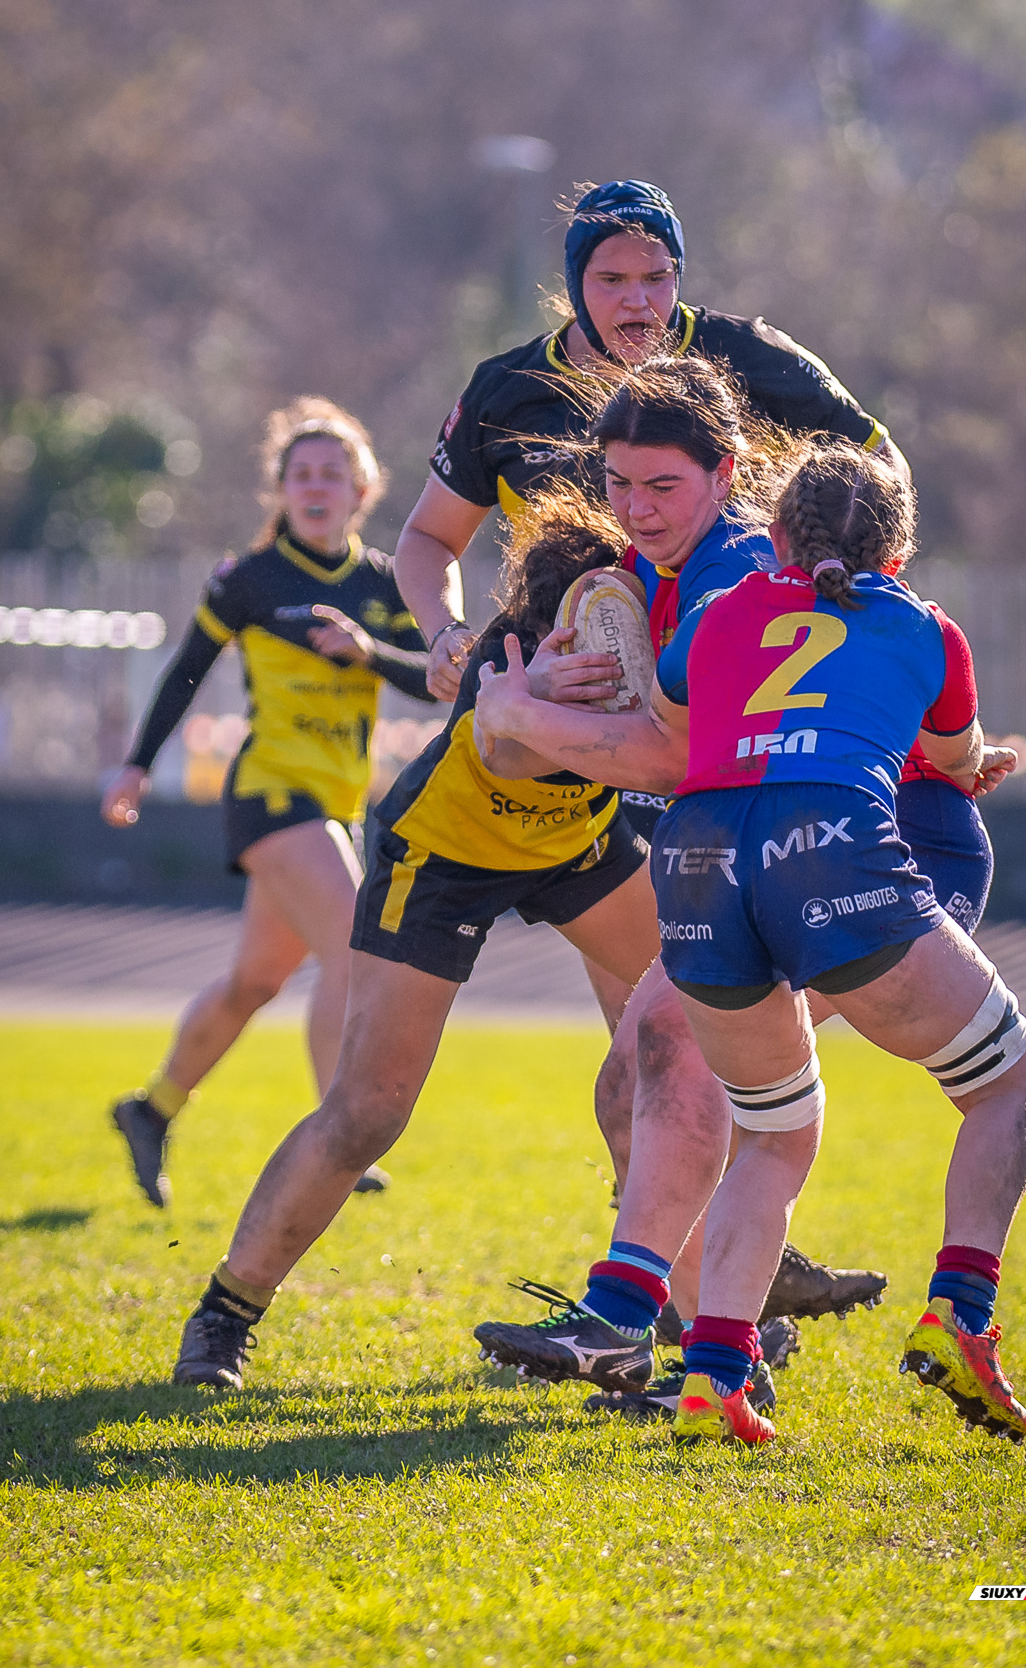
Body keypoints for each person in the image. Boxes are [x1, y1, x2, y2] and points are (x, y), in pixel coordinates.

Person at [394, 176, 908, 1318]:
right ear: (572, 279)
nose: (636, 298)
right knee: (648, 1056)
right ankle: (715, 1285)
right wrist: (446, 637)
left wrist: (833, 596)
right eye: (611, 276)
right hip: (594, 760)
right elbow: (426, 541)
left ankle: (684, 1304)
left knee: (661, 1051)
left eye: (657, 274)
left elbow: (882, 474)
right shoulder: (508, 389)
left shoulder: (739, 362)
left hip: (711, 755)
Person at [476, 432, 1026, 1448]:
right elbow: (953, 759)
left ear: (772, 531)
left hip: (695, 858)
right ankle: (959, 1310)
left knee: (775, 1132)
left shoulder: (721, 609)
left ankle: (711, 1373)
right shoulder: (927, 629)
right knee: (1006, 1083)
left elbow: (672, 723)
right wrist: (973, 756)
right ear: (898, 553)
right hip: (830, 846)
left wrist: (523, 713)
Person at [167, 488, 665, 1388]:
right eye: (596, 623)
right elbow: (511, 753)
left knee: (676, 1042)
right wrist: (535, 701)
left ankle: (661, 1316)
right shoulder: (503, 658)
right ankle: (224, 1313)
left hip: (579, 846)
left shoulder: (651, 621)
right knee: (367, 1113)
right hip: (441, 863)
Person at [103, 398, 433, 1208]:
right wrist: (136, 767)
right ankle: (341, 1130)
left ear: (363, 488)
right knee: (356, 953)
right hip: (270, 795)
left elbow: (439, 680)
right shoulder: (250, 579)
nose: (315, 487)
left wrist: (372, 653)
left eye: (333, 474)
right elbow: (187, 671)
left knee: (254, 982)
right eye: (301, 474)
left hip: (339, 803)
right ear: (280, 489)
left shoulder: (385, 583)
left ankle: (151, 1110)